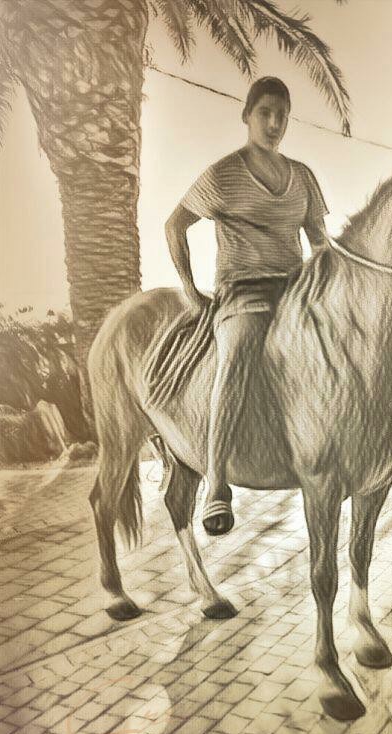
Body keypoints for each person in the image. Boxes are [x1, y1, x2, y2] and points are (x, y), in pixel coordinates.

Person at [165, 76, 329, 535]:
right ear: (247, 116)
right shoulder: (223, 174)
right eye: (265, 113)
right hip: (243, 293)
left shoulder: (303, 177)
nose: (274, 123)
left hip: (296, 291)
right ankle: (217, 484)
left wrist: (330, 289)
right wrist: (189, 289)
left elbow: (320, 242)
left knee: (348, 340)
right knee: (236, 354)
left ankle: (360, 449)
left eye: (282, 116)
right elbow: (174, 225)